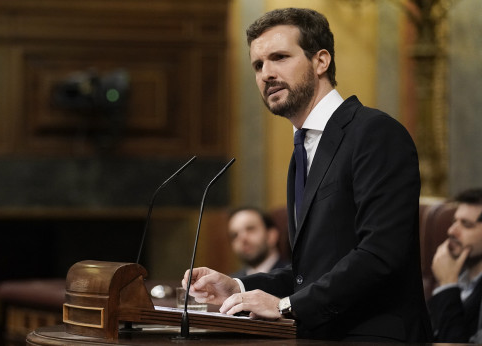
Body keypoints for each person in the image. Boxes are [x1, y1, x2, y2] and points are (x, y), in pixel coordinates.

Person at [182, 8, 432, 341]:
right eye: (258, 65)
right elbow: (312, 274)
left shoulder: (374, 133)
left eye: (280, 57)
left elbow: (381, 254)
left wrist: (286, 306)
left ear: (321, 61)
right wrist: (238, 286)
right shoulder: (303, 150)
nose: (266, 73)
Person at [429, 188, 482, 342]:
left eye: (466, 224)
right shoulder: (458, 276)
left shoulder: (449, 279)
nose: (452, 231)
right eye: (454, 222)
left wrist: (447, 285)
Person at [227, 207, 289, 278]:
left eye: (250, 229)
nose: (242, 238)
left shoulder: (294, 277)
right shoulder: (232, 283)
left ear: (271, 236)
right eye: (235, 235)